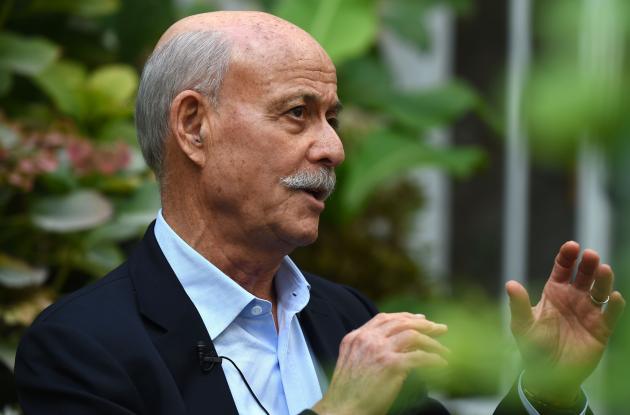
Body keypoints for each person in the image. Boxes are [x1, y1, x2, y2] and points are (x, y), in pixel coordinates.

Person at [14, 11, 625, 415]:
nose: (333, 146)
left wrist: (545, 391)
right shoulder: (81, 347)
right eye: (297, 113)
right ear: (194, 126)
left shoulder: (346, 318)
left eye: (331, 116)